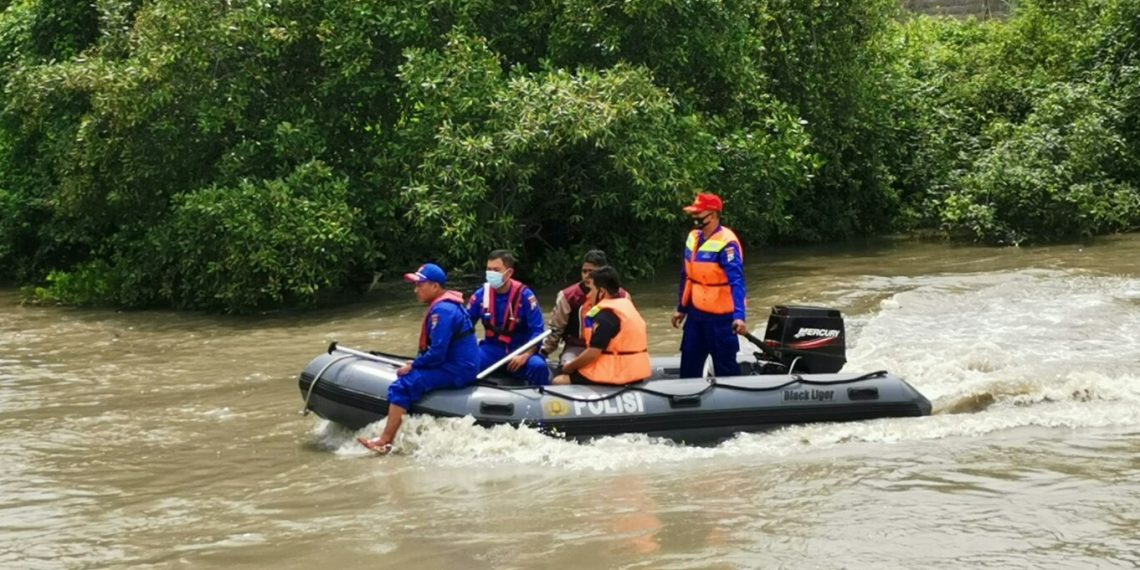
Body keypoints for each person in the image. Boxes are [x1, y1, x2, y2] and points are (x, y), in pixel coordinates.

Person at [358, 263, 478, 453]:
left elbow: (437, 354)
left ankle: (385, 441)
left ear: (435, 286)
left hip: (458, 369)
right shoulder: (446, 306)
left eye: (420, 285)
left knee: (402, 385)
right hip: (457, 364)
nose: (416, 290)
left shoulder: (443, 311)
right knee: (411, 374)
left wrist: (415, 365)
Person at [670, 192, 747, 378]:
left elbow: (737, 281)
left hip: (721, 319)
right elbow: (686, 275)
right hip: (696, 315)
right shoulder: (693, 237)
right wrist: (682, 308)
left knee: (725, 368)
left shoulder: (727, 243)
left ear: (712, 215)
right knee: (689, 364)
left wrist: (739, 316)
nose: (694, 217)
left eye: (698, 214)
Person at [553, 266, 651, 385]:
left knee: (558, 381)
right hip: (634, 372)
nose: (588, 295)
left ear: (602, 292)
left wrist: (569, 367)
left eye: (591, 290)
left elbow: (592, 354)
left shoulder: (605, 317)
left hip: (616, 373)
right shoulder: (626, 306)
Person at [468, 249, 550, 385]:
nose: (491, 273)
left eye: (496, 270)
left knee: (538, 367)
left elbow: (537, 331)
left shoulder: (526, 296)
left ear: (509, 272)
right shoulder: (480, 295)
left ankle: (541, 394)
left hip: (520, 348)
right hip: (492, 348)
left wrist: (526, 354)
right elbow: (465, 326)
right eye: (489, 269)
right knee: (468, 364)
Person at [540, 250, 629, 365]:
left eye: (591, 272)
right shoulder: (568, 296)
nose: (587, 275)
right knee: (568, 364)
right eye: (584, 271)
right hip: (577, 346)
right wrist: (544, 352)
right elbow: (556, 329)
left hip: (611, 346)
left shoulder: (622, 296)